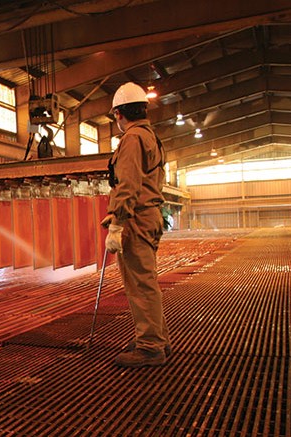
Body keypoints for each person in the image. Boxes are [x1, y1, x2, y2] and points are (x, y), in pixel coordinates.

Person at [101, 82, 171, 367]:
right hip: (149, 215)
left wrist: (118, 223)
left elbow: (127, 185)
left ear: (119, 114)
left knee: (140, 284)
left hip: (137, 220)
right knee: (147, 282)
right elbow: (146, 183)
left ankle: (150, 347)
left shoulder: (131, 139)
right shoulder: (151, 136)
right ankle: (157, 338)